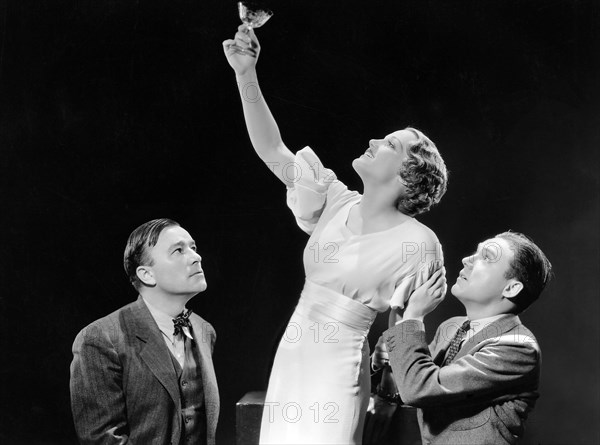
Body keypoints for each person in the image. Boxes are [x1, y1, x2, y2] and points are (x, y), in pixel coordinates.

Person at [222, 25, 448, 444]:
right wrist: (245, 74)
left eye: (390, 144)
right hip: (292, 357)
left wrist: (387, 391)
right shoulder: (334, 199)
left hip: (339, 369)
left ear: (408, 176)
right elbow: (273, 150)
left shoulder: (420, 244)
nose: (373, 140)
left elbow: (404, 327)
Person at [375, 231, 552, 444]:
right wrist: (389, 363)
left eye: (486, 257)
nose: (467, 260)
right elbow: (407, 386)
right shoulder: (452, 327)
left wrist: (413, 317)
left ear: (512, 288)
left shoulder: (517, 348)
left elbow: (419, 389)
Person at [70, 218, 219, 445]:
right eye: (178, 250)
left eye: (193, 248)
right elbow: (103, 439)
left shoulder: (204, 330)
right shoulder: (100, 338)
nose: (196, 257)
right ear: (146, 274)